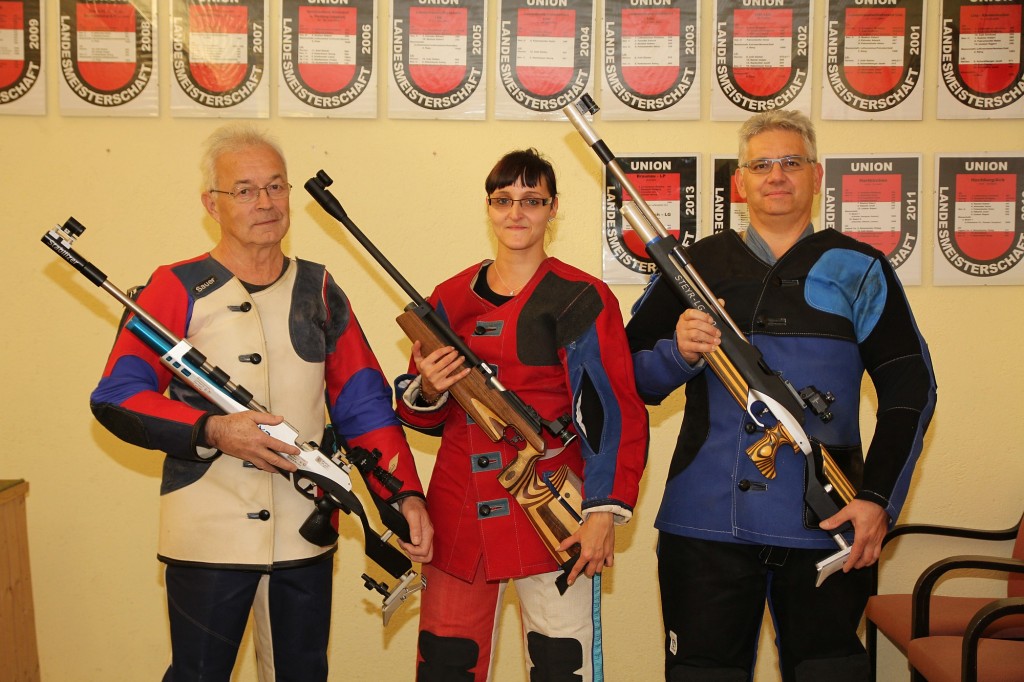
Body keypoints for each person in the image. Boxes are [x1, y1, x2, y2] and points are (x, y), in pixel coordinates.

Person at [90, 124, 433, 682]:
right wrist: (213, 431)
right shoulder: (172, 286)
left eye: (276, 187)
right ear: (212, 204)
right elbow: (118, 396)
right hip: (205, 530)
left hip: (305, 530)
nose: (266, 202)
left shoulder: (321, 288)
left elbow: (363, 403)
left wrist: (405, 497)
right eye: (245, 190)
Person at [626, 110, 936, 681]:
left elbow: (910, 388)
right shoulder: (695, 265)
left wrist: (877, 500)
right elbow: (629, 381)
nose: (777, 175)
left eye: (791, 162)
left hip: (831, 521)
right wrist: (679, 353)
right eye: (761, 164)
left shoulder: (862, 268)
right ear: (739, 184)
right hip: (704, 524)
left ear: (817, 176)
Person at [393, 148, 648, 681]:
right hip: (458, 506)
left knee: (561, 666)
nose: (517, 212)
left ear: (553, 208)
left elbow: (612, 411)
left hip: (552, 505)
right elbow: (420, 415)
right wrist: (428, 389)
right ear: (488, 207)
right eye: (503, 199)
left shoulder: (583, 297)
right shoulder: (448, 298)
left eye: (532, 200)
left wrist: (603, 511)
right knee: (445, 663)